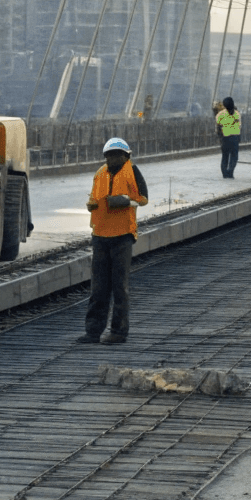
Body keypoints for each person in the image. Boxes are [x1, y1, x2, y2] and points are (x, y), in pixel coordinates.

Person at [80, 137, 149, 345]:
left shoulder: (133, 172)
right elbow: (94, 197)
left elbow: (143, 198)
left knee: (120, 287)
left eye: (118, 155)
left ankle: (118, 332)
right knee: (98, 287)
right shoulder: (100, 173)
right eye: (110, 155)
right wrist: (92, 205)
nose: (113, 158)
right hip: (100, 235)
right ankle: (93, 331)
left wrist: (124, 201)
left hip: (122, 236)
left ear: (126, 156)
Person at [216, 97, 242, 179]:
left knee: (225, 156)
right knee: (234, 156)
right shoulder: (237, 113)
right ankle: (230, 172)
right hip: (235, 137)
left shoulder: (220, 114)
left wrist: (220, 136)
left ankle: (225, 173)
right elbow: (240, 126)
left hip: (225, 137)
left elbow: (218, 126)